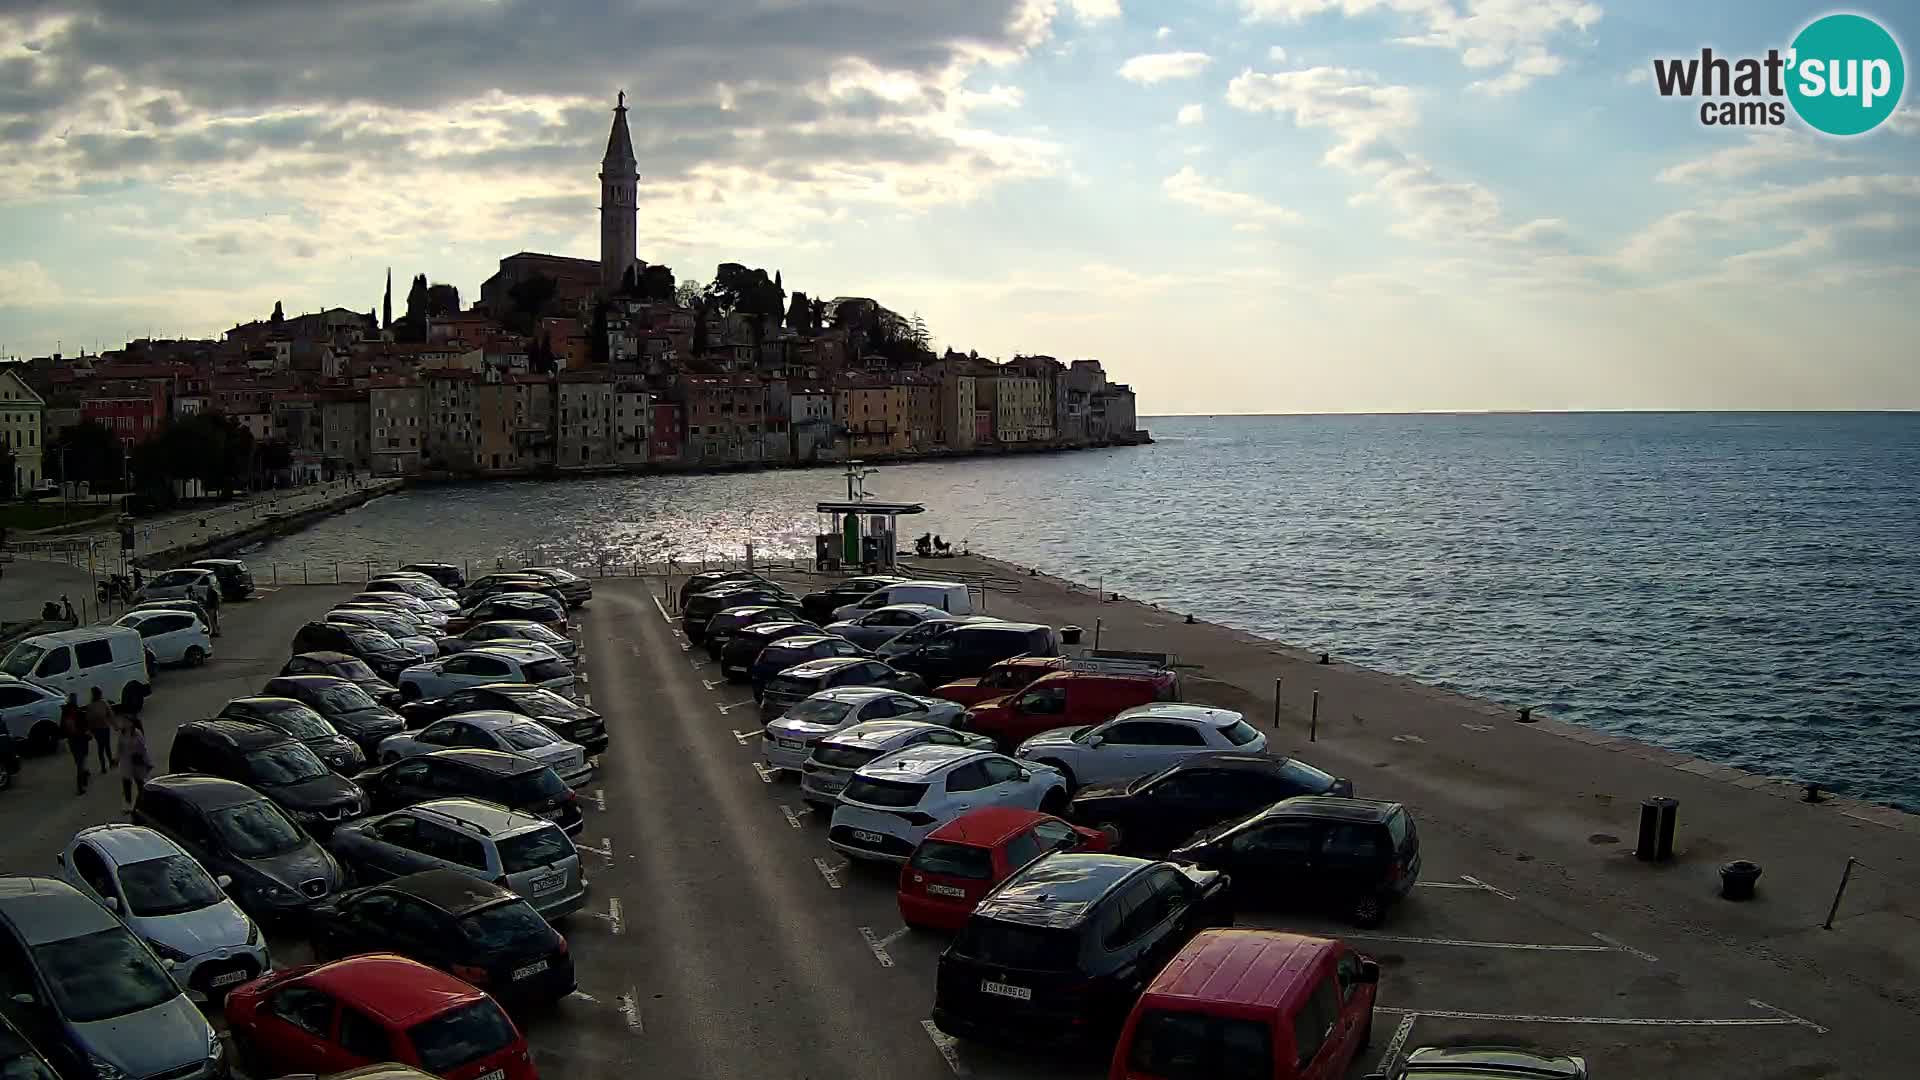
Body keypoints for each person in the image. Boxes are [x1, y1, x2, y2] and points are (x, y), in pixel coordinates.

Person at [119, 714, 153, 807]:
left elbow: (143, 748)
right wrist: (117, 757)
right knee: (126, 783)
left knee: (140, 783)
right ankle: (128, 803)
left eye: (126, 721)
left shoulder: (137, 733)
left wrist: (146, 761)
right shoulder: (123, 733)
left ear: (131, 723)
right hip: (126, 762)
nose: (124, 723)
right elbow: (120, 746)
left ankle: (142, 803)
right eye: (123, 721)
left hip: (136, 761)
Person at [61, 694, 89, 795]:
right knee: (81, 761)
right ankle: (80, 785)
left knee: (78, 760)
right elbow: (85, 725)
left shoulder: (65, 713)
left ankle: (84, 774)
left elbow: (62, 728)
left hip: (72, 740)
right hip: (81, 739)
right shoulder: (78, 712)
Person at [85, 687, 115, 772]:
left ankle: (103, 766)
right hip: (105, 727)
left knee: (101, 747)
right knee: (107, 746)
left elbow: (88, 720)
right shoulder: (103, 703)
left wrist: (89, 730)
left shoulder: (90, 706)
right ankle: (110, 762)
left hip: (96, 729)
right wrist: (115, 725)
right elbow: (110, 715)